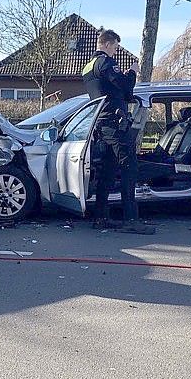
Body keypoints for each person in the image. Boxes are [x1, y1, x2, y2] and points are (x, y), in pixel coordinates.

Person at [81, 29, 154, 234]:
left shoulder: (87, 67)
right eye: (114, 47)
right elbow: (125, 88)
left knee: (108, 171)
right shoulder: (105, 63)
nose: (115, 51)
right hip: (114, 122)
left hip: (101, 123)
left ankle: (101, 217)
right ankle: (131, 218)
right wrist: (132, 72)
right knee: (130, 167)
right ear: (106, 44)